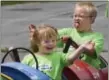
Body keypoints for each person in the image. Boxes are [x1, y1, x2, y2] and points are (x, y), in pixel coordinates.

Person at [22, 24, 93, 80]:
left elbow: (70, 59)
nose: (51, 43)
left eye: (53, 40)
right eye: (47, 41)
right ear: (37, 42)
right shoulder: (29, 58)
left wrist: (81, 48)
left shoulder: (58, 56)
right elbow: (20, 73)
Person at [58, 1, 104, 69]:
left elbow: (93, 53)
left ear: (92, 20)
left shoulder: (97, 37)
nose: (76, 18)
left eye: (81, 16)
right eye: (75, 15)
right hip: (69, 71)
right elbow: (48, 36)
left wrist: (72, 43)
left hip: (88, 72)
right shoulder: (67, 32)